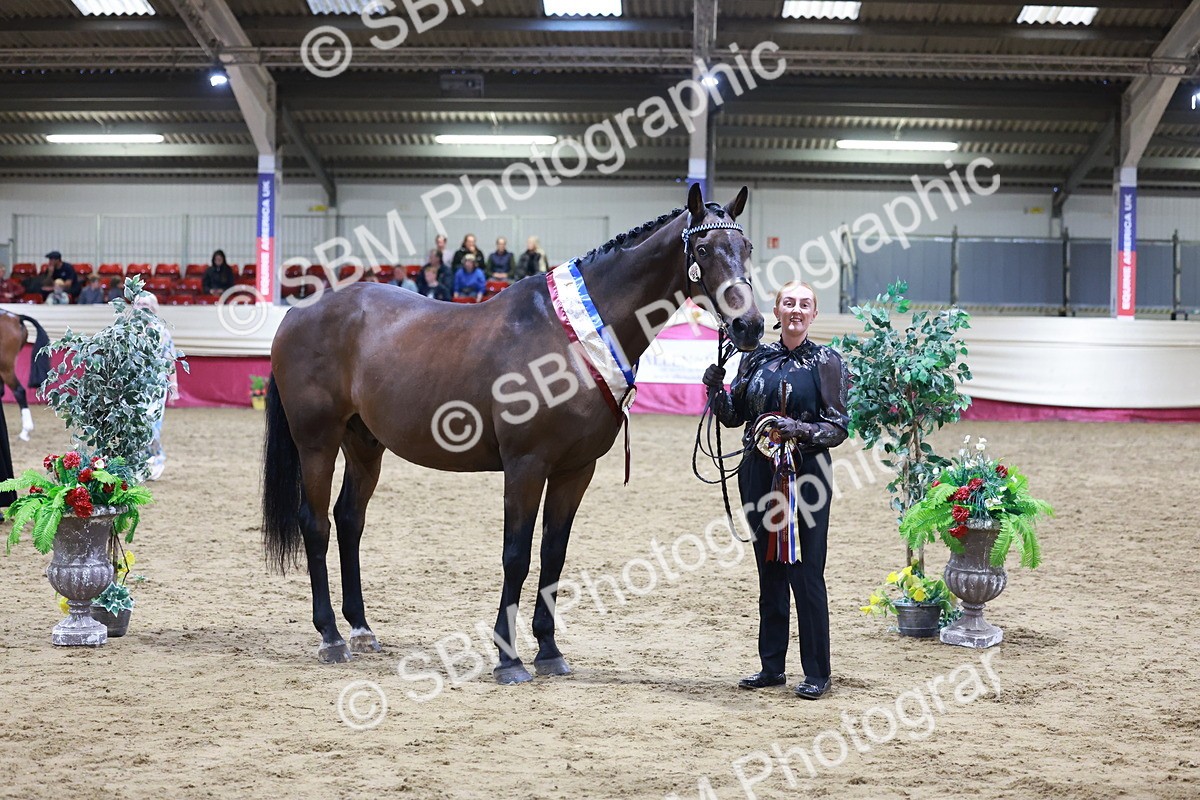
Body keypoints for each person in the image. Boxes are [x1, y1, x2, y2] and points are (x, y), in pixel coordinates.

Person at [702, 281, 849, 701]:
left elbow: (838, 427)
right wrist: (716, 389)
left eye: (804, 304)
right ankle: (771, 666)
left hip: (807, 476)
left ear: (814, 314)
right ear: (777, 310)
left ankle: (817, 672)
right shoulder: (757, 357)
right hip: (757, 473)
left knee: (806, 571)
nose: (796, 310)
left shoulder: (826, 361)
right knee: (769, 568)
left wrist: (798, 429)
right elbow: (733, 417)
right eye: (789, 303)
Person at [132, 292, 179, 481]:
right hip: (133, 388)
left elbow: (170, 360)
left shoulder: (162, 332)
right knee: (135, 426)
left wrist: (173, 386)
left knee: (152, 426)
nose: (143, 309)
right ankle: (138, 463)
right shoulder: (128, 331)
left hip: (156, 388)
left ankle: (156, 460)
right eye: (139, 305)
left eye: (146, 305)